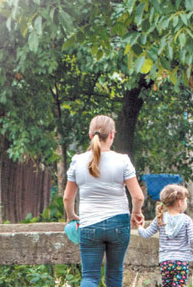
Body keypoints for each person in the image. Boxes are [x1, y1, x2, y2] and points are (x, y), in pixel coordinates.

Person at [63, 115, 145, 287]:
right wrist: (136, 213)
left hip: (89, 224)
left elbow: (67, 197)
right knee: (115, 276)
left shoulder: (77, 161)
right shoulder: (122, 160)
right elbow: (138, 196)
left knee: (89, 277)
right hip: (119, 223)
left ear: (90, 135)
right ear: (112, 135)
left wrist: (72, 216)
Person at [138, 184, 193, 287]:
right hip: (181, 261)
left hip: (165, 261)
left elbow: (146, 234)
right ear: (180, 202)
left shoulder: (160, 219)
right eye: (185, 201)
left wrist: (139, 227)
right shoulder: (186, 220)